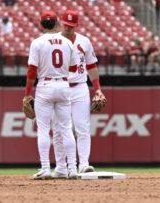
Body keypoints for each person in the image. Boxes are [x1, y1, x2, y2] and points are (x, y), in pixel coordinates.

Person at [24, 10, 79, 180]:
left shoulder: (37, 43)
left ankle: (46, 168)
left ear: (41, 24)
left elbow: (32, 71)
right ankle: (72, 169)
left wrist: (27, 94)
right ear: (56, 24)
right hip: (63, 84)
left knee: (43, 129)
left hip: (45, 86)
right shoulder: (67, 42)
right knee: (66, 129)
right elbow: (73, 68)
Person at [58, 10, 106, 174]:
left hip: (80, 87)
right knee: (61, 129)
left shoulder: (84, 41)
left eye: (71, 26)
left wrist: (98, 89)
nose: (68, 28)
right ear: (61, 23)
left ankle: (84, 164)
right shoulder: (54, 41)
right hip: (61, 87)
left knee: (82, 127)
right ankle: (62, 166)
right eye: (66, 25)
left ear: (76, 25)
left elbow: (91, 66)